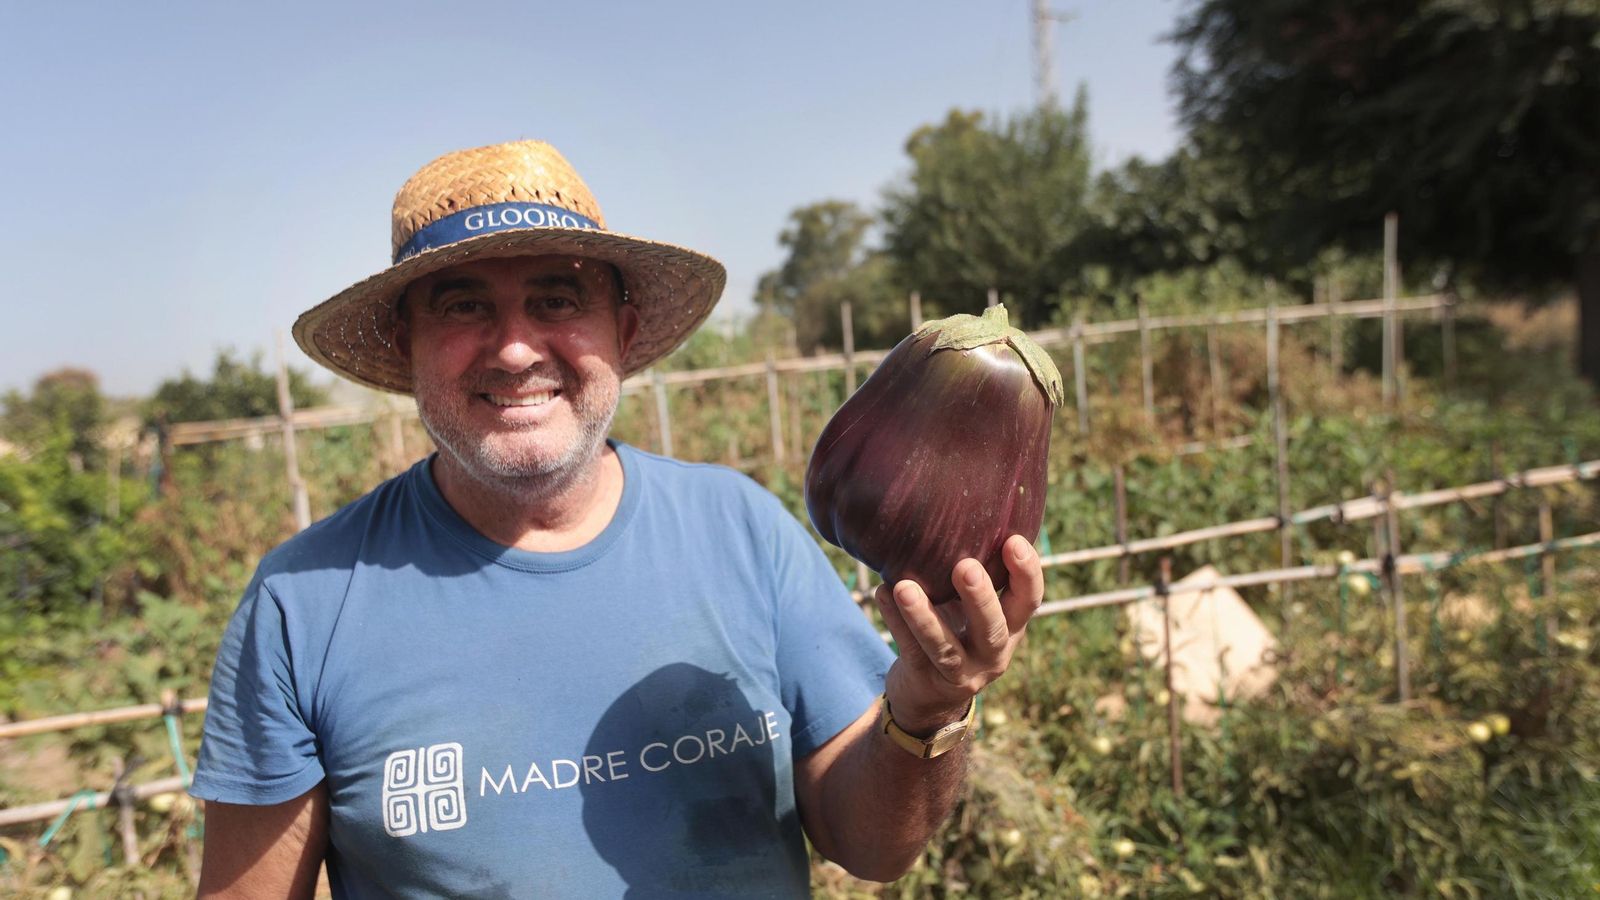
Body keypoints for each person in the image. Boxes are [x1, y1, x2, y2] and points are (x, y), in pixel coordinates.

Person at [190, 140, 1043, 898]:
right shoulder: (304, 605)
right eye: (461, 305)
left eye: (557, 299)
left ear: (623, 332)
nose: (516, 348)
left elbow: (872, 848)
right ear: (406, 348)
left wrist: (928, 708)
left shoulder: (741, 530)